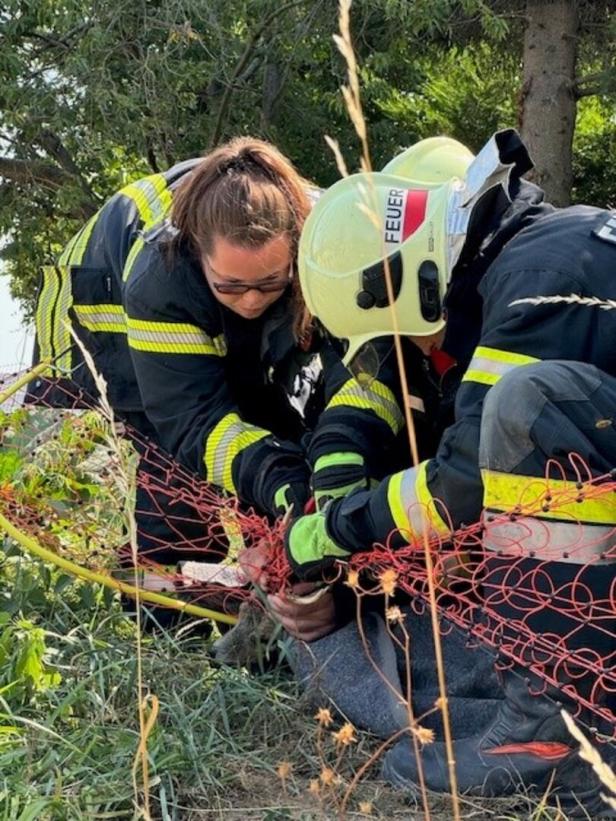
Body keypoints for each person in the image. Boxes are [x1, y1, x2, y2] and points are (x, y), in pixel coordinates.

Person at [243, 129, 616, 816]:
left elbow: (459, 484)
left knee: (527, 405)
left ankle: (553, 735)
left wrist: (326, 534)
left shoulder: (531, 287)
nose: (417, 349)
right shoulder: (542, 255)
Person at [26, 137, 408, 623]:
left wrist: (336, 457)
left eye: (269, 284)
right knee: (178, 486)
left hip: (230, 298)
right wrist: (279, 479)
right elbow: (194, 423)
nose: (250, 301)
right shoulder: (162, 277)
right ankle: (162, 627)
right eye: (231, 286)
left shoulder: (330, 245)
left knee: (283, 448)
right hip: (101, 322)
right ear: (199, 255)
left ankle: (271, 600)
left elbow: (363, 372)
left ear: (296, 249)